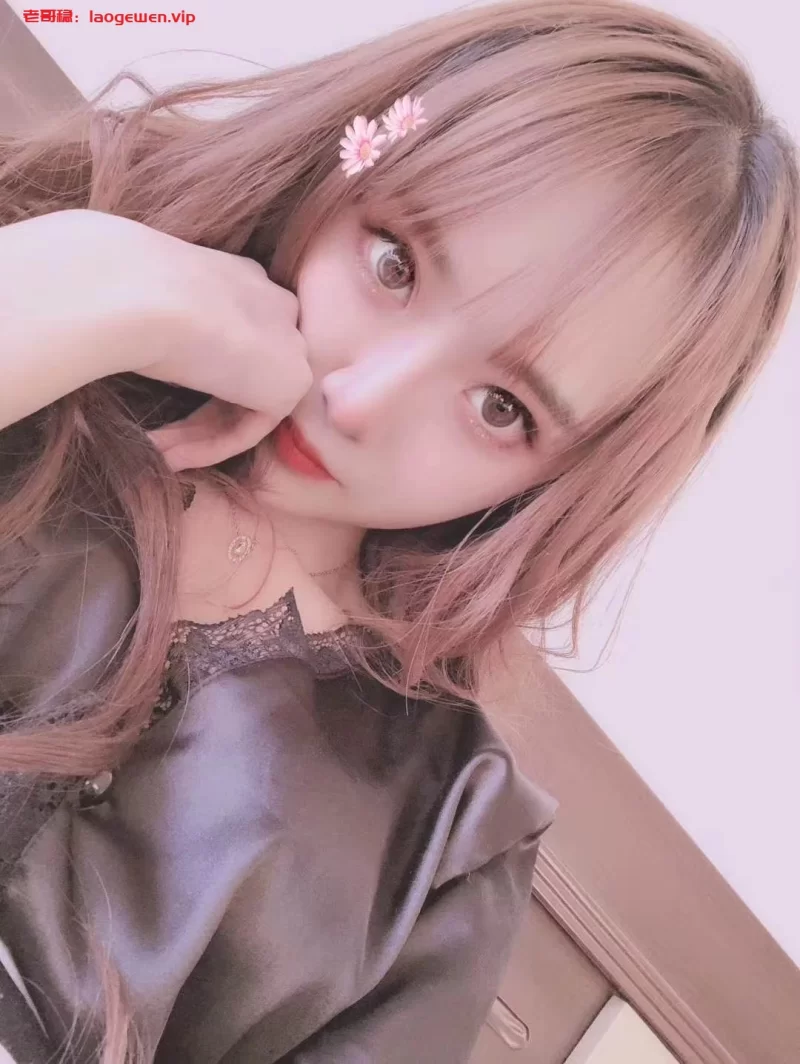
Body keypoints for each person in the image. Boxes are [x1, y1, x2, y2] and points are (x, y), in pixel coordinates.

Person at [0, 0, 797, 1061]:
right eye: (393, 264)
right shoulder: (51, 266)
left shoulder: (444, 848)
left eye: (501, 408)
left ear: (563, 478)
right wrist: (83, 287)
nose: (360, 398)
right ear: (349, 155)